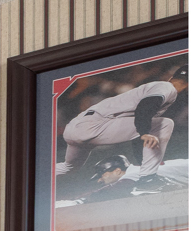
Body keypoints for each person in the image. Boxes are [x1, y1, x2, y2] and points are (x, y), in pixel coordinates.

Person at [55, 63, 187, 182]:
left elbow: (138, 130)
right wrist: (144, 132)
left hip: (76, 127)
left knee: (69, 168)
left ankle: (38, 173)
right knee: (165, 123)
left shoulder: (159, 87)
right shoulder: (166, 88)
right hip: (95, 126)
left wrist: (143, 157)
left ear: (171, 77)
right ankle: (148, 178)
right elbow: (144, 109)